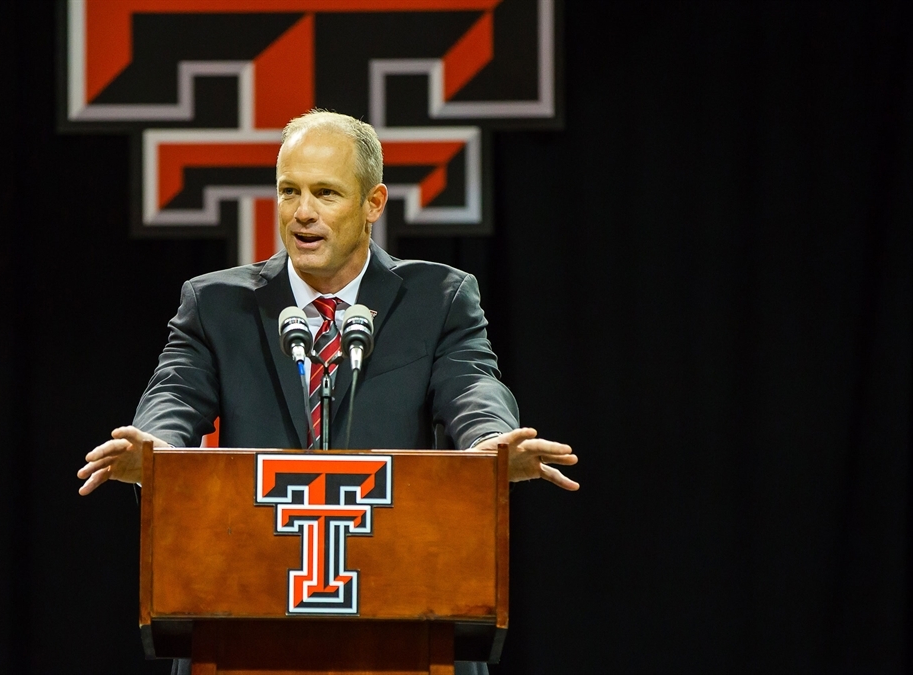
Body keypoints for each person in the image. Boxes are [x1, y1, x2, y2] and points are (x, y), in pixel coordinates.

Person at [76, 110, 578, 674]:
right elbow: (175, 393)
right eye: (289, 191)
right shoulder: (217, 305)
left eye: (326, 193)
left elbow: (471, 384)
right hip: (249, 615)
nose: (303, 213)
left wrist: (488, 441)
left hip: (403, 611)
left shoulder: (438, 298)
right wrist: (158, 449)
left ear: (374, 203)